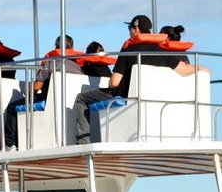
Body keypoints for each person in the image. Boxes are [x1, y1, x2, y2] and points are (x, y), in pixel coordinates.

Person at [72, 14, 200, 143]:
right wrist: (201, 68)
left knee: (81, 99)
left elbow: (114, 83)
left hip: (125, 96)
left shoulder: (129, 50)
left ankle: (84, 142)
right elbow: (184, 71)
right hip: (154, 103)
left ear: (136, 29)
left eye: (130, 28)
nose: (129, 32)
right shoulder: (162, 51)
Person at [33, 35, 83, 102]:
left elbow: (36, 87)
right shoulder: (78, 67)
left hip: (49, 100)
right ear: (72, 47)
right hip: (73, 101)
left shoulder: (51, 64)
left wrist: (27, 93)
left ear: (56, 46)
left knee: (14, 105)